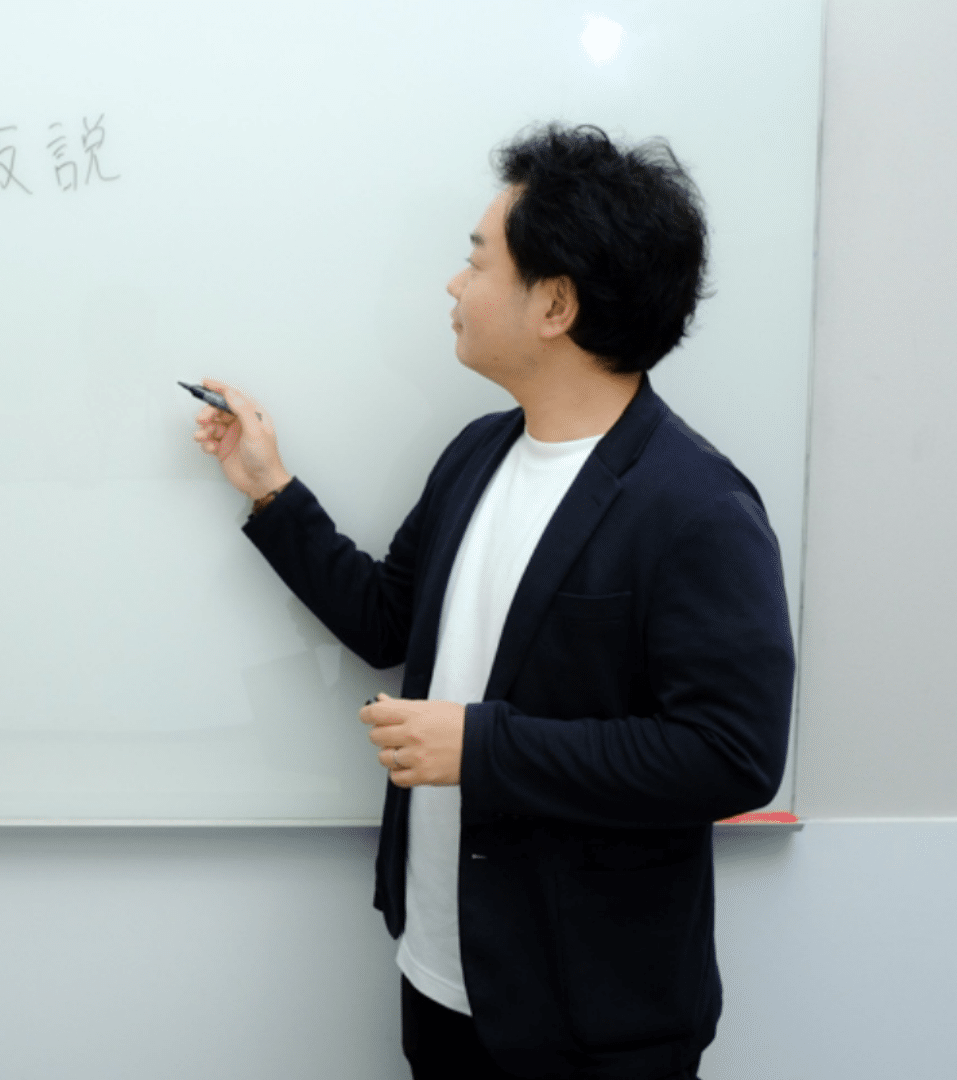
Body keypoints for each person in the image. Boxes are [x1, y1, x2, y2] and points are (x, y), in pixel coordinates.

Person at [191, 124, 793, 1079]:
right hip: (440, 974)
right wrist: (270, 487)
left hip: (594, 1020)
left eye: (477, 262)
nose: (453, 285)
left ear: (555, 303)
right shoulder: (479, 453)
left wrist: (482, 747)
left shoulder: (697, 507)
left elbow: (731, 755)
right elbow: (388, 620)